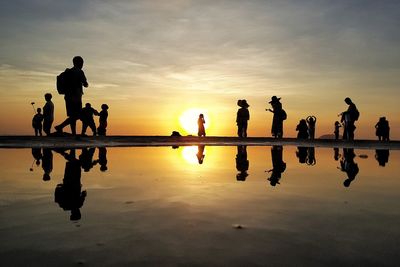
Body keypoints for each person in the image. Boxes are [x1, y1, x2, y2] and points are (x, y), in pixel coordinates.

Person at [55, 56, 89, 136]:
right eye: (82, 63)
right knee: (78, 115)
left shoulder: (67, 72)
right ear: (79, 63)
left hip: (68, 97)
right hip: (76, 97)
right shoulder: (79, 71)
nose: (82, 64)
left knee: (72, 115)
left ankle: (73, 133)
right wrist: (85, 84)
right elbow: (85, 83)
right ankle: (60, 126)